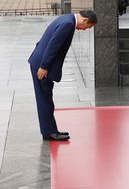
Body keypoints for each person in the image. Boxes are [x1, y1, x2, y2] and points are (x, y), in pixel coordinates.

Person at [28, 10, 97, 141]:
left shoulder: (67, 19)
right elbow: (52, 46)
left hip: (39, 61)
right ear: (85, 21)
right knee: (45, 100)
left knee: (45, 98)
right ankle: (50, 132)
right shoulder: (68, 24)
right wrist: (44, 66)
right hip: (42, 67)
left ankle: (50, 130)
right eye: (88, 27)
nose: (85, 30)